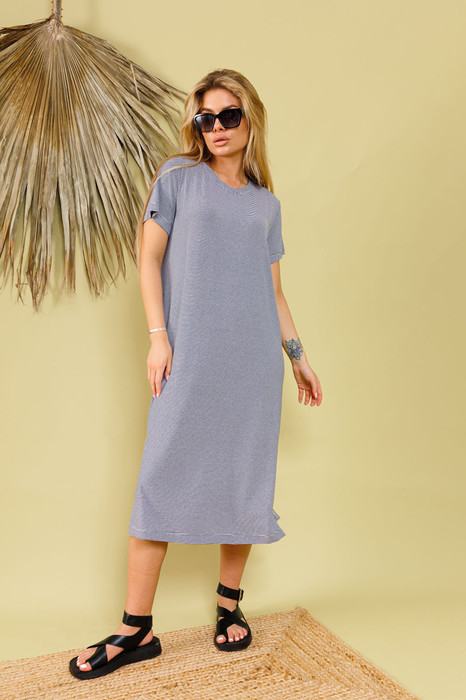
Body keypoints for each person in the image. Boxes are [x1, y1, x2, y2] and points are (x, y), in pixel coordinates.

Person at [69, 68, 322, 681]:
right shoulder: (177, 177)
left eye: (228, 116)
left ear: (250, 119)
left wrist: (297, 356)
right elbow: (148, 256)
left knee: (244, 481)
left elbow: (274, 291)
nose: (216, 129)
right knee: (160, 478)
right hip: (189, 356)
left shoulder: (266, 205)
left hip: (253, 365)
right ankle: (136, 629)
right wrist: (159, 337)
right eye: (206, 119)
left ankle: (228, 605)